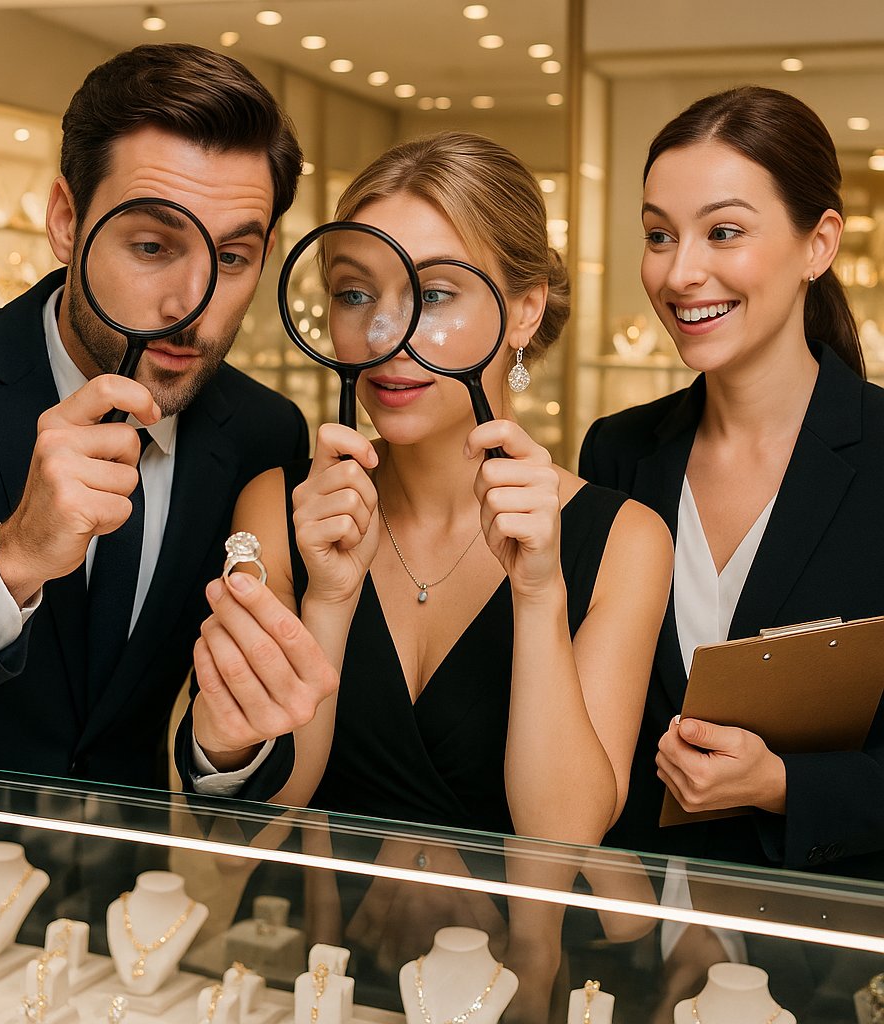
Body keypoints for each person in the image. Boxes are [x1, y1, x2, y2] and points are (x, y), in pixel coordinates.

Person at [180, 131, 673, 845]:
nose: (384, 334)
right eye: (354, 294)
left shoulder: (626, 540)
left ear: (525, 310)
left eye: (435, 295)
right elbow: (253, 832)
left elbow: (563, 839)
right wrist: (328, 600)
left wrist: (539, 595)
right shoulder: (279, 506)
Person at [0, 43, 311, 789]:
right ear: (67, 221)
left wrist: (227, 749)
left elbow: (229, 764)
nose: (189, 305)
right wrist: (14, 557)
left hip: (135, 860)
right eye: (151, 245)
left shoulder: (265, 433)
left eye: (232, 259)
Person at [579, 86, 884, 879]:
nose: (681, 273)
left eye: (723, 232)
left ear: (819, 244)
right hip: (632, 916)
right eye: (659, 235)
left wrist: (784, 785)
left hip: (820, 929)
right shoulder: (616, 453)